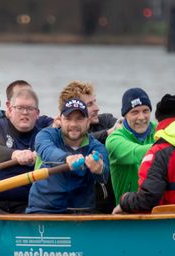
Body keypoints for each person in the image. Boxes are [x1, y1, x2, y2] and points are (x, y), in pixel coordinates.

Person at [0, 87, 53, 213]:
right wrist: (17, 154)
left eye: (30, 108)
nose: (25, 112)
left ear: (37, 113)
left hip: (25, 204)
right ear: (10, 110)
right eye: (19, 108)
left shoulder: (43, 133)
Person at [26, 98, 109, 214]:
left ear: (88, 122)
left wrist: (99, 169)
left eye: (79, 119)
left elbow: (105, 176)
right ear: (60, 120)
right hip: (44, 210)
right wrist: (66, 158)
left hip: (81, 213)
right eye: (68, 119)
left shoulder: (96, 148)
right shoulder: (46, 135)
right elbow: (47, 151)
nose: (73, 124)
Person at [57, 80, 122, 212]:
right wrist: (107, 133)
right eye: (90, 104)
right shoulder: (65, 133)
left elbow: (122, 127)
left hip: (110, 203)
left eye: (95, 102)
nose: (97, 108)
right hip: (80, 206)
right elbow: (88, 138)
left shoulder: (106, 120)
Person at [105, 88, 157, 204]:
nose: (141, 117)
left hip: (159, 207)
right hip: (128, 210)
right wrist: (170, 145)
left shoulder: (159, 130)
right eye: (135, 112)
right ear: (125, 115)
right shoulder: (114, 140)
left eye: (145, 111)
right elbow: (136, 152)